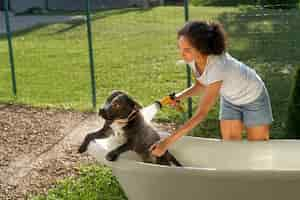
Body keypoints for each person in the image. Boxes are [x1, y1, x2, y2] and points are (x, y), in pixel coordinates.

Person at [150, 20, 273, 157]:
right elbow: (201, 84)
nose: (182, 54)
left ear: (201, 48)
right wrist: (179, 96)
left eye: (187, 50)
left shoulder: (217, 66)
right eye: (180, 48)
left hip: (254, 97)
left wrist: (166, 143)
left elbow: (201, 114)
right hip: (230, 99)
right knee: (231, 148)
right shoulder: (193, 60)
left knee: (258, 149)